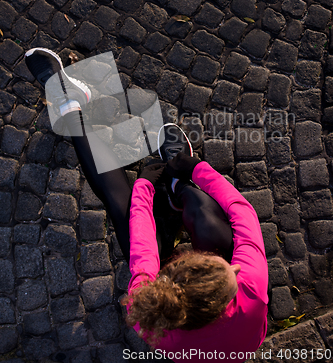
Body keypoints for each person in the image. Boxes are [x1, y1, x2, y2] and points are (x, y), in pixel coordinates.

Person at [25, 48, 268, 363]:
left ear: (172, 270)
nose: (234, 265)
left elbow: (142, 243)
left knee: (120, 206)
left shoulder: (149, 308)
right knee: (199, 212)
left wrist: (144, 184)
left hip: (163, 258)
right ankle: (181, 187)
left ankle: (71, 105)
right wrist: (193, 167)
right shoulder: (248, 288)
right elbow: (241, 212)